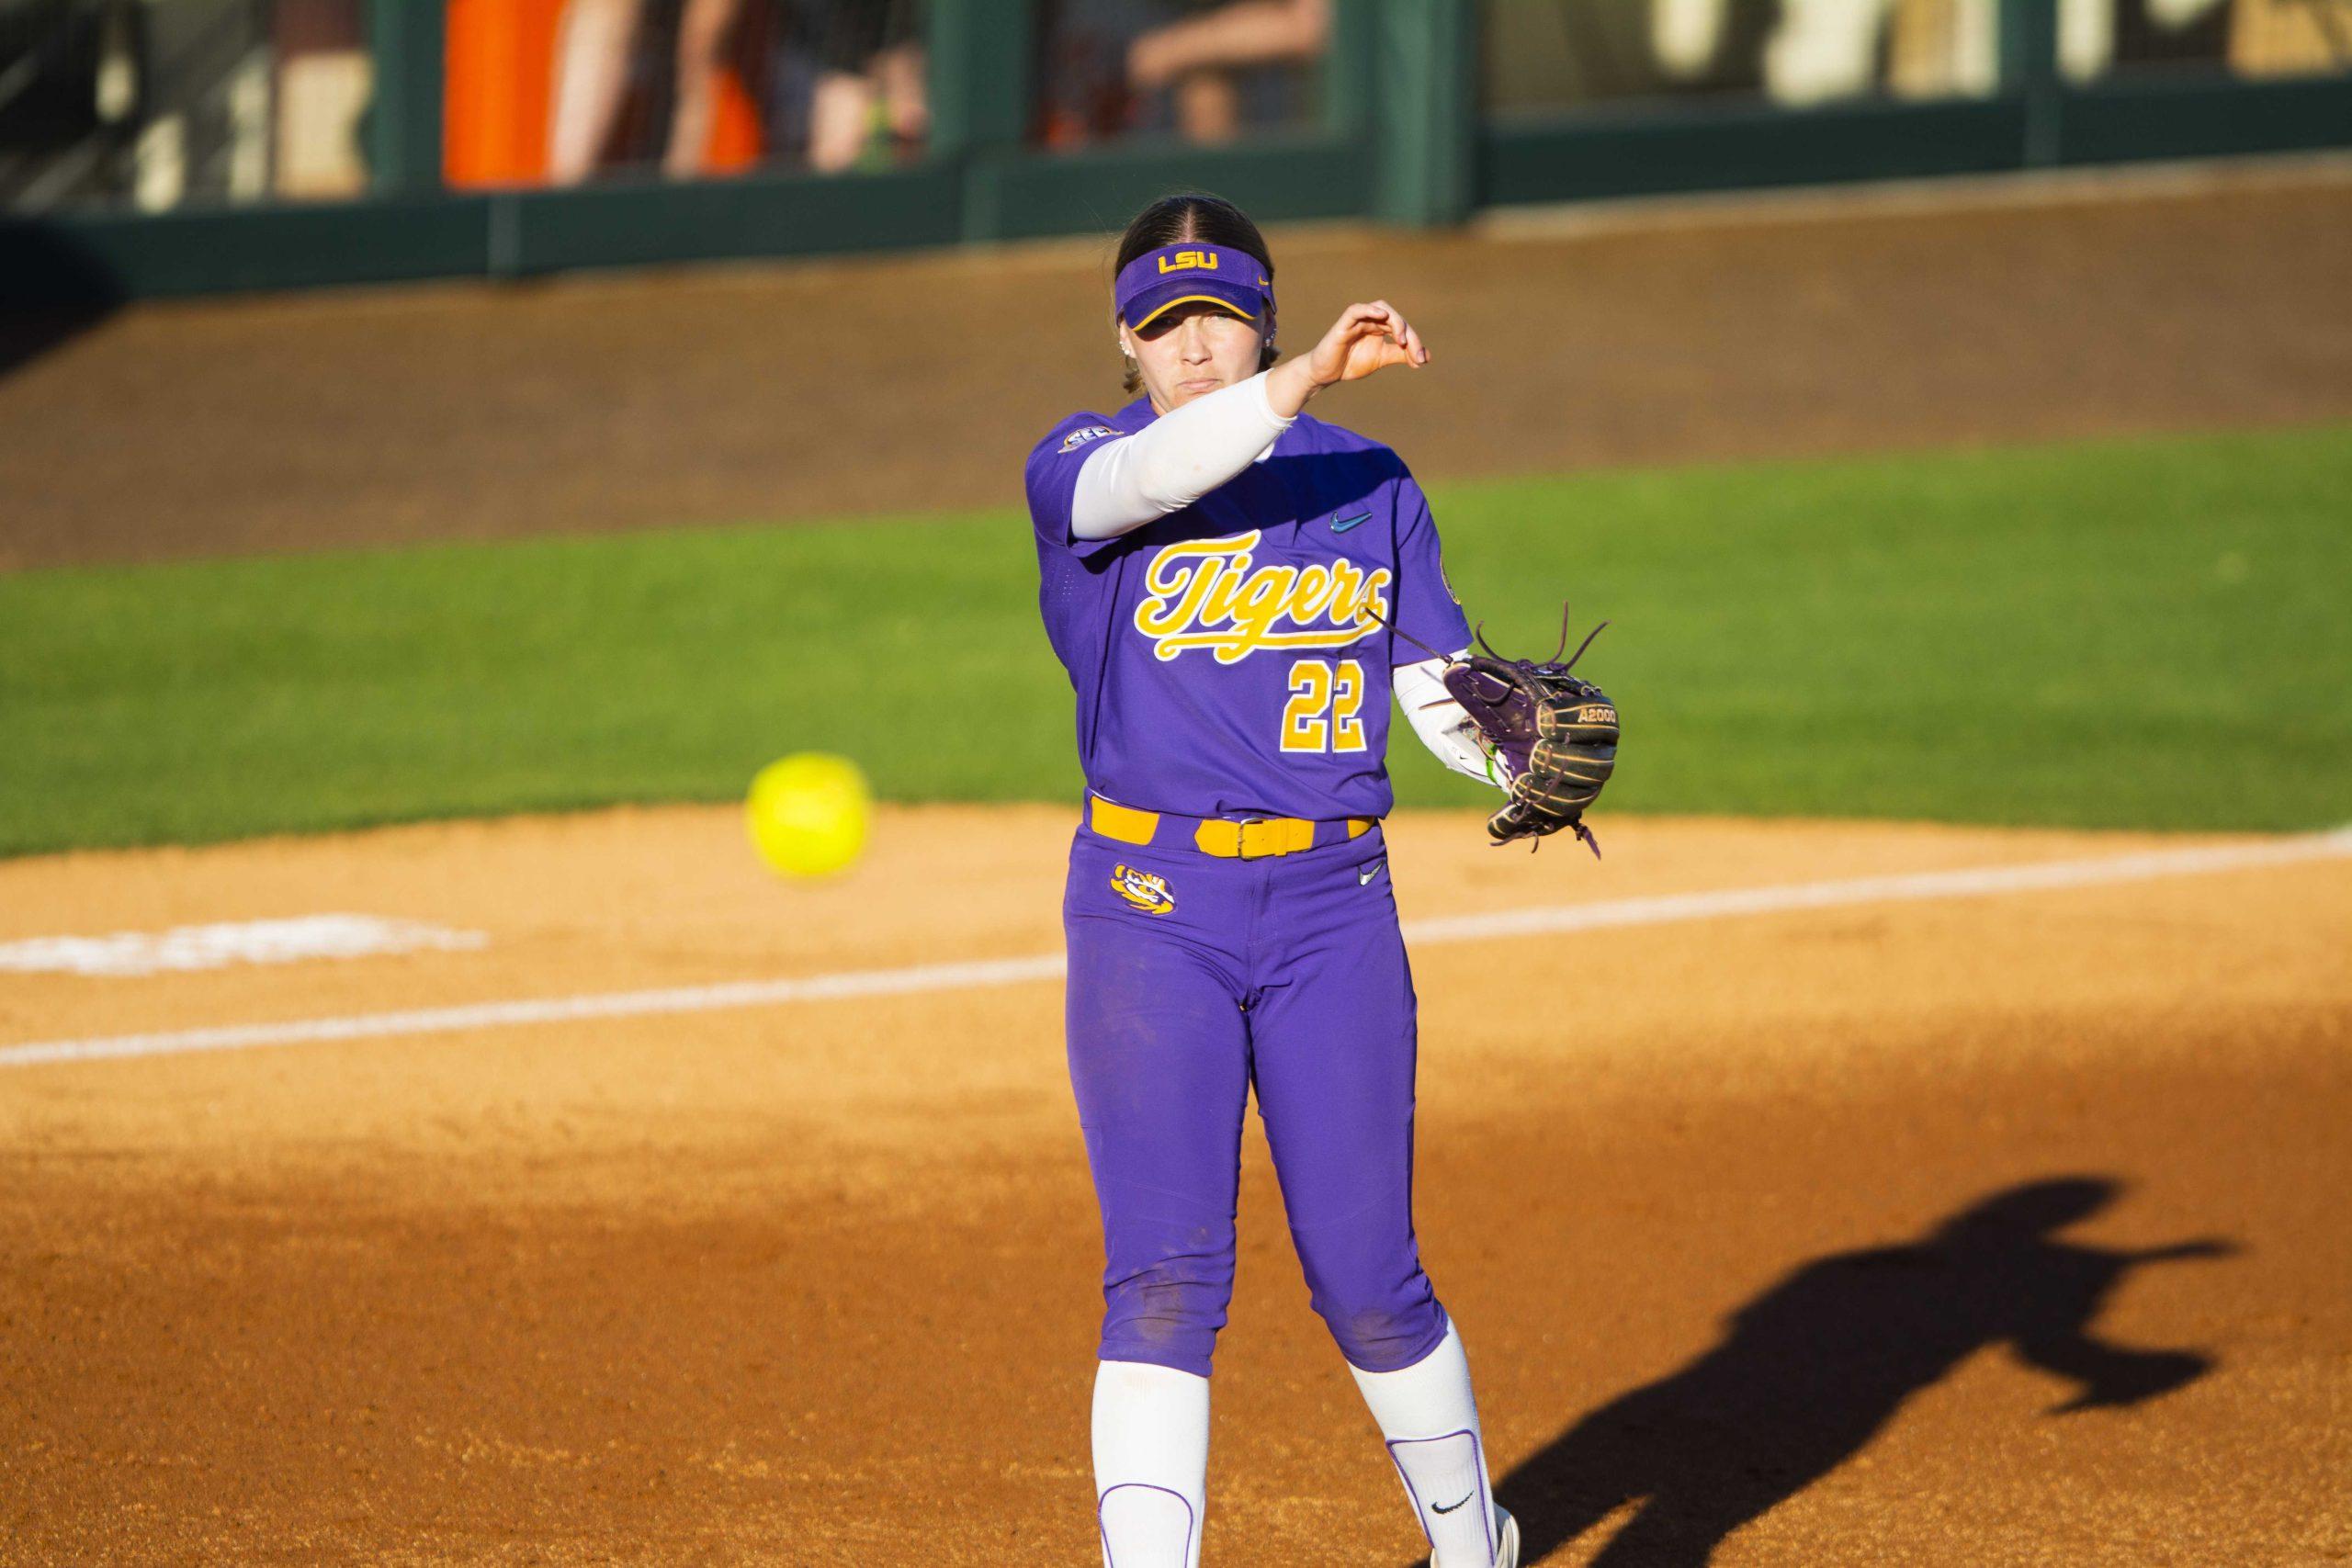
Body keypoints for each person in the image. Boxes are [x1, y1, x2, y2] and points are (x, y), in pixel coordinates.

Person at [1023, 192, 1521, 1568]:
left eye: (1221, 321)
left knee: (1370, 1277)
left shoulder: (1371, 483)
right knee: (1166, 1282)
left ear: (1263, 321)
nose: (1191, 348)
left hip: (1330, 917)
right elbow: (1153, 481)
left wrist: (1508, 750)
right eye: (1162, 324)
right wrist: (1297, 385)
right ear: (1124, 341)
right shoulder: (1078, 463)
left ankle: (1477, 1546)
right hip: (1147, 916)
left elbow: (1435, 685)